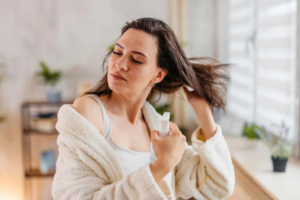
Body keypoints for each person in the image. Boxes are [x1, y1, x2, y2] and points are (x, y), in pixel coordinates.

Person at [52, 17, 235, 200]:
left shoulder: (155, 125)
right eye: (117, 52)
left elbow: (217, 186)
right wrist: (162, 165)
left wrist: (202, 110)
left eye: (137, 60)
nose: (120, 64)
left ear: (158, 75)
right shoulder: (88, 114)